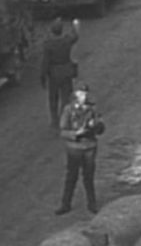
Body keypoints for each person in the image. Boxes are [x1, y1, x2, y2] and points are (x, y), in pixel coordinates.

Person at [56, 83, 105, 215]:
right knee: (71, 176)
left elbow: (101, 130)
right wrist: (75, 134)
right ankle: (65, 204)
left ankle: (92, 204)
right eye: (80, 94)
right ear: (75, 95)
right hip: (74, 148)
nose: (83, 96)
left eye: (85, 94)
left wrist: (96, 126)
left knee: (88, 177)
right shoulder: (69, 110)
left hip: (89, 147)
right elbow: (62, 131)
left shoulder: (92, 110)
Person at [41, 17, 80, 129]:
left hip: (54, 74)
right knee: (66, 97)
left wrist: (42, 77)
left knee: (53, 98)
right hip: (66, 72)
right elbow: (76, 36)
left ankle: (54, 121)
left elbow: (45, 63)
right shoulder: (67, 40)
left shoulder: (48, 45)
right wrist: (74, 25)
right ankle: (66, 119)